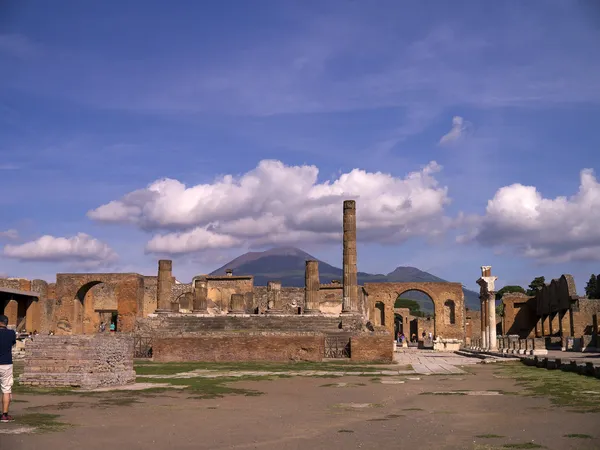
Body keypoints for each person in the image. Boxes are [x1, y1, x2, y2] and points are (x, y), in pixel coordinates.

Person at [0, 315, 16, 423]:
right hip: (6, 363)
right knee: (6, 389)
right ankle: (4, 415)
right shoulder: (11, 333)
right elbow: (13, 343)